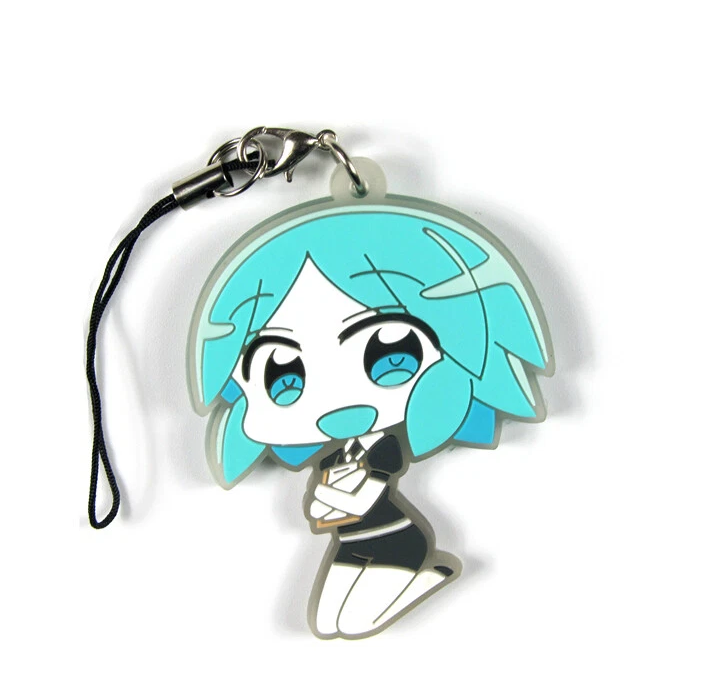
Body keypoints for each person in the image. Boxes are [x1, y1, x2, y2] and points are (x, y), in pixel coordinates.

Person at [189, 205, 552, 638]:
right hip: (353, 544)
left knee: (351, 621)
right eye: (285, 378)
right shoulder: (335, 456)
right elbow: (327, 507)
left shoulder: (386, 448)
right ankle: (425, 576)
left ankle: (427, 575)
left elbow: (359, 498)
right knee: (328, 622)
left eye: (391, 356)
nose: (337, 403)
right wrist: (329, 503)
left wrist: (331, 502)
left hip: (395, 540)